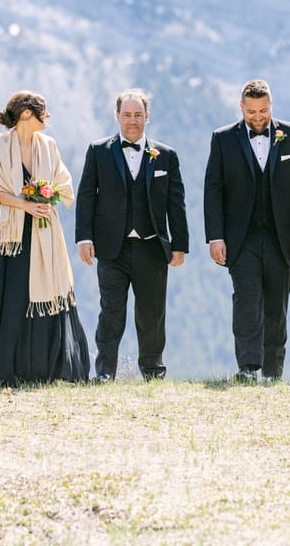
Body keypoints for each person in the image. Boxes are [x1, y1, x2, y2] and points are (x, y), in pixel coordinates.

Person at [0, 90, 90, 384]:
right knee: (13, 297)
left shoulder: (49, 145)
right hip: (11, 234)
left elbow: (64, 183)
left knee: (46, 292)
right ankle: (10, 368)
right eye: (43, 111)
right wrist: (26, 203)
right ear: (27, 114)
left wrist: (49, 195)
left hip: (44, 229)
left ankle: (43, 369)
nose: (48, 117)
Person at [204, 79, 290, 381]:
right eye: (251, 111)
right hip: (241, 239)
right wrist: (215, 237)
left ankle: (273, 371)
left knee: (276, 305)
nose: (257, 116)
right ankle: (248, 367)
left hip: (283, 237)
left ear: (271, 106)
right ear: (241, 107)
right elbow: (212, 190)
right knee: (246, 300)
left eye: (263, 110)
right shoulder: (223, 139)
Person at [74, 88, 189, 381]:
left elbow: (176, 203)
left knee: (152, 313)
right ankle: (104, 373)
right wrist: (84, 238)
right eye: (127, 115)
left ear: (147, 117)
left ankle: (153, 371)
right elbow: (86, 196)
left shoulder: (166, 155)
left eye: (138, 115)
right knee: (110, 312)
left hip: (152, 248)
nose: (132, 121)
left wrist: (180, 245)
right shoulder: (98, 151)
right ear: (117, 116)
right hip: (112, 248)